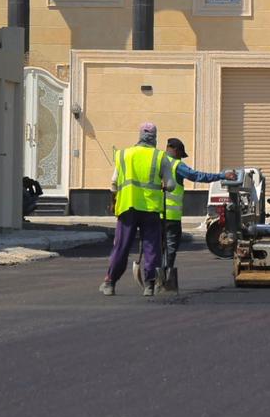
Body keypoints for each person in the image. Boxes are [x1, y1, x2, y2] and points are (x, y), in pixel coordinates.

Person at [100, 122, 176, 297]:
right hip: (151, 209)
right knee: (152, 247)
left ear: (139, 135)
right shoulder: (160, 157)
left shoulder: (124, 155)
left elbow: (113, 185)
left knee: (121, 246)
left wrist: (114, 202)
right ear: (155, 138)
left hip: (128, 206)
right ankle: (149, 285)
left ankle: (110, 283)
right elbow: (171, 185)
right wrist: (165, 187)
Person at [162, 137, 237, 275]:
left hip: (152, 212)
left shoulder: (156, 161)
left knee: (156, 247)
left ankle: (152, 278)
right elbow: (197, 176)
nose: (181, 158)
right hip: (170, 215)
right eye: (181, 155)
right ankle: (166, 276)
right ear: (176, 150)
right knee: (170, 245)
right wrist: (222, 176)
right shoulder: (176, 165)